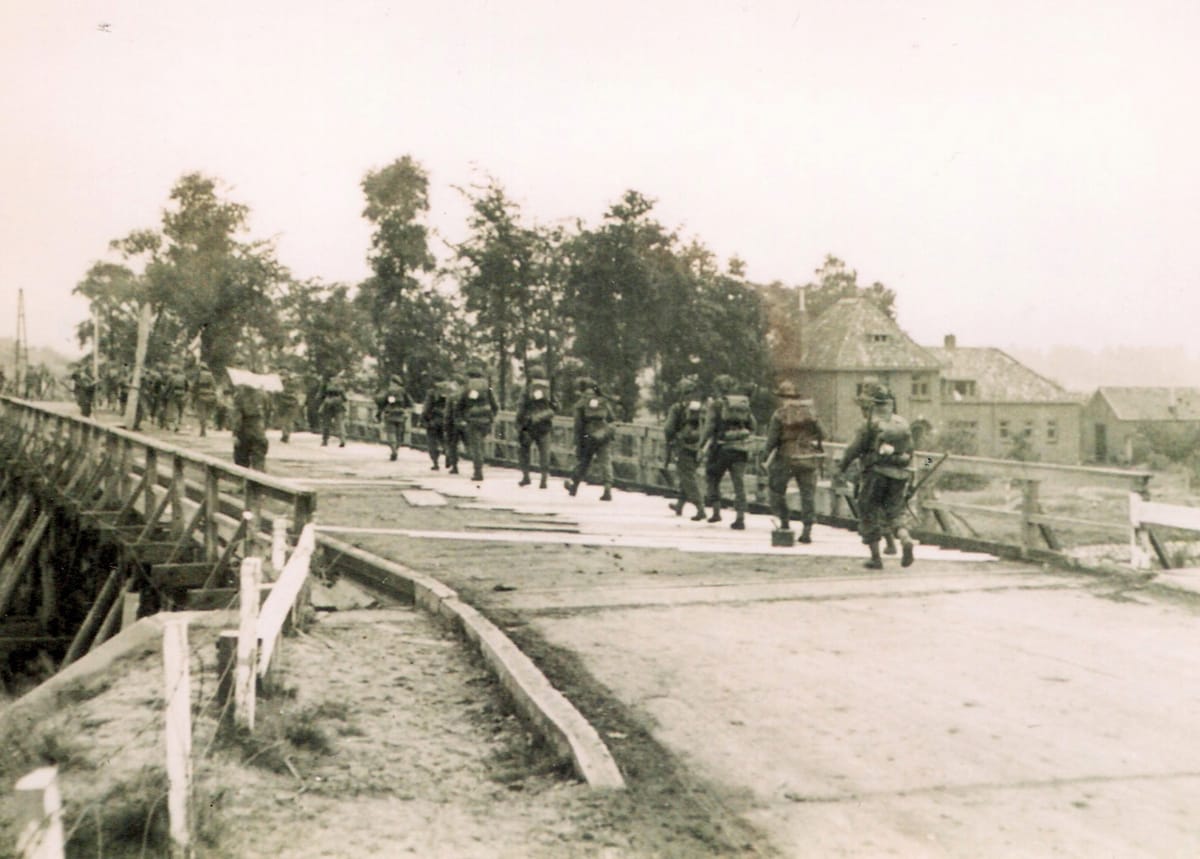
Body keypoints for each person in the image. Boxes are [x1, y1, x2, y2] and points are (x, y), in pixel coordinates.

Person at [835, 387, 916, 569]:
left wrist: (841, 468)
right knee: (895, 513)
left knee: (868, 511)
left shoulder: (869, 424)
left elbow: (853, 450)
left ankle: (876, 558)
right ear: (890, 404)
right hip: (900, 475)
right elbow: (913, 452)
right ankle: (905, 539)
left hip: (875, 474)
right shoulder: (902, 423)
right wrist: (917, 471)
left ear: (873, 404)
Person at [763, 381, 825, 543]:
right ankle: (807, 530)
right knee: (808, 495)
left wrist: (765, 456)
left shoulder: (779, 414)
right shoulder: (810, 413)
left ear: (781, 397)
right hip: (808, 457)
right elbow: (823, 434)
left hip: (786, 457)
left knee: (777, 490)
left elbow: (772, 440)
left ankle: (784, 522)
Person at [703, 375, 757, 530]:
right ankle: (740, 517)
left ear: (717, 388)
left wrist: (701, 444)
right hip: (740, 449)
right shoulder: (742, 404)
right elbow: (753, 425)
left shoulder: (716, 405)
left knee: (712, 476)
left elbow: (709, 427)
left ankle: (716, 512)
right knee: (739, 484)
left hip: (721, 449)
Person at [663, 376, 707, 521]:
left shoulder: (678, 407)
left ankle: (700, 508)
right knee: (687, 475)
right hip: (699, 447)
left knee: (687, 478)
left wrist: (670, 440)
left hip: (683, 446)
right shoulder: (702, 407)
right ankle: (680, 505)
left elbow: (669, 428)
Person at [565, 377, 615, 501]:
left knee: (584, 461)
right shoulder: (603, 400)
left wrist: (578, 441)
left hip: (588, 435)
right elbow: (611, 417)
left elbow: (578, 425)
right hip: (604, 434)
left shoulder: (581, 402)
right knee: (606, 461)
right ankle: (607, 489)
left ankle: (574, 486)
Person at [515, 364, 559, 489]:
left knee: (524, 451)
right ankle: (543, 479)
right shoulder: (548, 389)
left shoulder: (527, 389)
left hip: (529, 425)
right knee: (544, 453)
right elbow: (556, 405)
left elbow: (521, 407)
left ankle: (526, 477)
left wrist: (518, 423)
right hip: (545, 425)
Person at [455, 366, 498, 481]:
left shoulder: (467, 386)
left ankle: (478, 472)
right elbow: (495, 404)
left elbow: (460, 404)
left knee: (476, 447)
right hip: (486, 420)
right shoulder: (487, 385)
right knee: (481, 445)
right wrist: (492, 416)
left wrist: (461, 417)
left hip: (473, 420)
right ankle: (479, 468)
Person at [231, 383, 269, 471]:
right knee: (259, 460)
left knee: (241, 462)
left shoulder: (239, 396)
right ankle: (259, 481)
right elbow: (268, 412)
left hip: (244, 431)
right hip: (259, 430)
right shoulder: (264, 395)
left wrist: (235, 433)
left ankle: (244, 483)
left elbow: (237, 417)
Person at [376, 373, 412, 461]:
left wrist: (379, 413)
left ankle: (393, 450)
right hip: (401, 415)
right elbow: (410, 403)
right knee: (399, 434)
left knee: (391, 433)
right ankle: (396, 449)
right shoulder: (403, 391)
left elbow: (380, 401)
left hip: (390, 414)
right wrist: (406, 410)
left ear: (392, 382)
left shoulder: (388, 391)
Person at [421, 375, 451, 470]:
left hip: (434, 420)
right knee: (445, 440)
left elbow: (427, 407)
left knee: (432, 441)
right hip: (447, 419)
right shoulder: (450, 391)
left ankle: (435, 463)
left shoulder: (432, 392)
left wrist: (424, 418)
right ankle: (448, 453)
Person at [443, 375, 470, 475]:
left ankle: (455, 466)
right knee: (470, 444)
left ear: (456, 384)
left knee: (453, 445)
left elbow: (448, 413)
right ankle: (477, 465)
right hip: (467, 423)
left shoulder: (452, 396)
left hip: (454, 423)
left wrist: (446, 425)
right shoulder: (468, 395)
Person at [319, 375, 348, 448]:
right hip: (338, 406)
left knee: (326, 423)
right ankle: (342, 439)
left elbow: (321, 395)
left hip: (327, 406)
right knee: (340, 423)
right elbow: (345, 398)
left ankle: (325, 440)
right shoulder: (340, 387)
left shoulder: (325, 385)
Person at [275, 370, 302, 443]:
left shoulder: (280, 384)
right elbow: (298, 393)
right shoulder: (295, 383)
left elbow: (276, 393)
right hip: (292, 403)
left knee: (283, 420)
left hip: (283, 403)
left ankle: (285, 434)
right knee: (289, 420)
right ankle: (287, 435)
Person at [192, 362, 218, 437]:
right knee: (207, 413)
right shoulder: (210, 375)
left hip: (200, 395)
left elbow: (194, 385)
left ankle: (202, 430)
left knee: (201, 413)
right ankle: (206, 424)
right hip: (210, 396)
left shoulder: (198, 375)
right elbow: (214, 386)